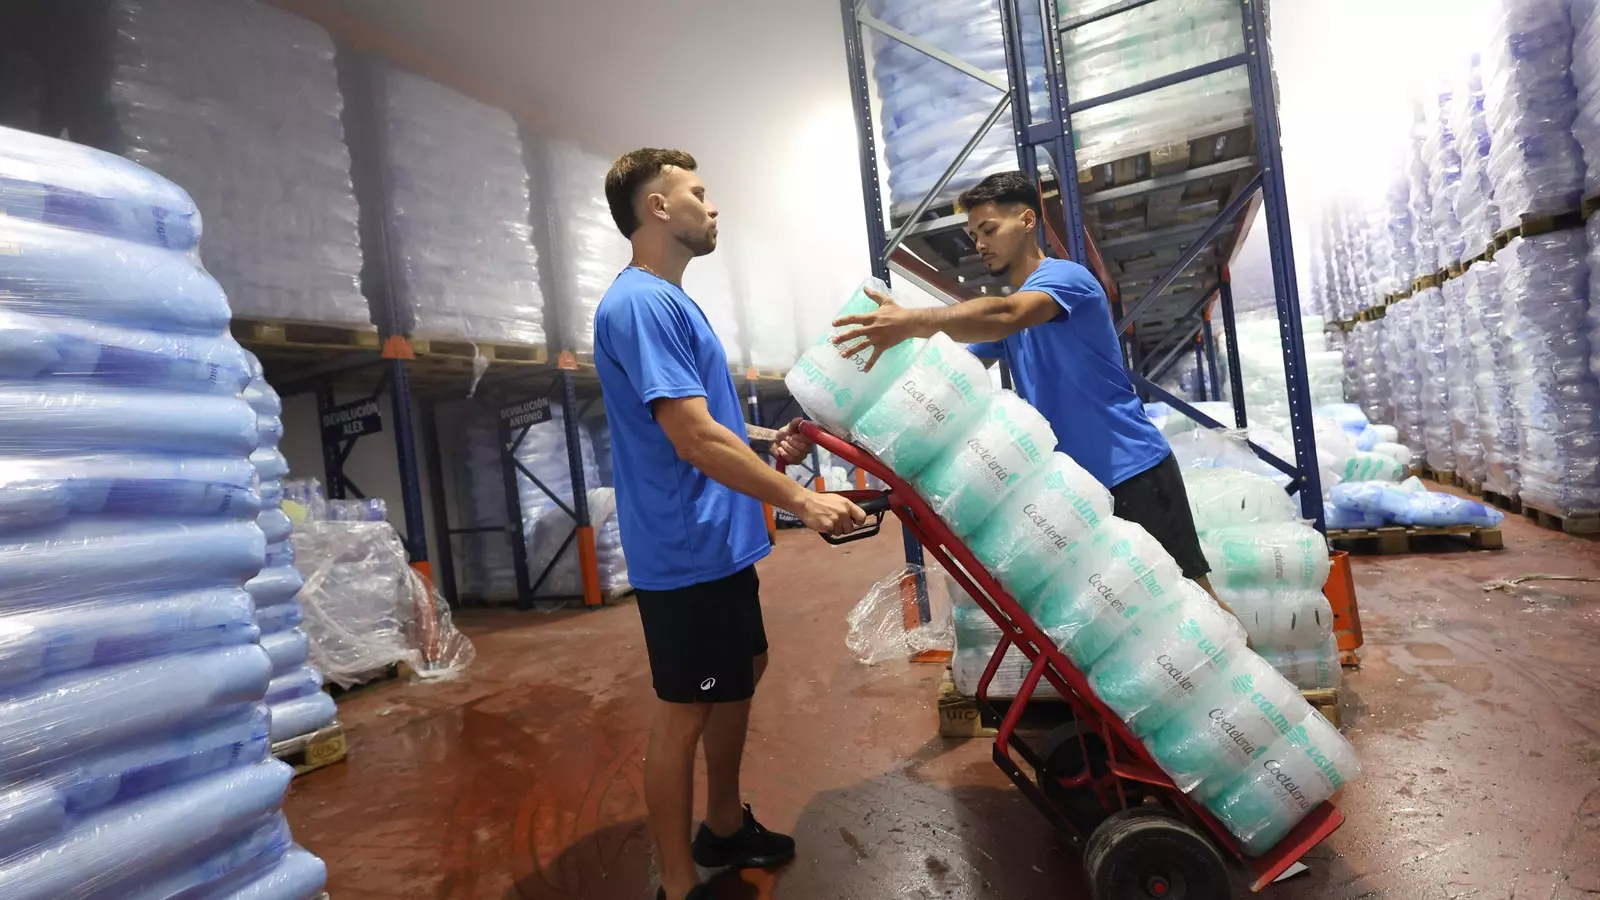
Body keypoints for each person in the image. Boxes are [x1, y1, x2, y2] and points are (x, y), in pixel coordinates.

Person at [595, 148, 867, 900]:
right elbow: (686, 435)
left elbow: (700, 413)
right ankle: (678, 885)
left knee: (741, 669)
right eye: (698, 194)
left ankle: (720, 822)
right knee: (686, 708)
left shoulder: (670, 299)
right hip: (685, 550)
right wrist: (800, 498)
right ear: (657, 208)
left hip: (714, 541)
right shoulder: (643, 303)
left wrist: (755, 439)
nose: (712, 208)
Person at [830, 169, 1219, 601]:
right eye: (974, 234)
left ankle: (1245, 668)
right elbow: (945, 367)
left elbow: (1005, 315)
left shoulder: (1064, 281)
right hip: (1082, 490)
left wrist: (911, 322)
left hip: (1134, 471)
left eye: (989, 229)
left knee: (1193, 604)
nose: (979, 244)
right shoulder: (1012, 317)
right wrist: (847, 412)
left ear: (1028, 221)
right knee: (1140, 613)